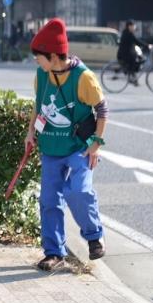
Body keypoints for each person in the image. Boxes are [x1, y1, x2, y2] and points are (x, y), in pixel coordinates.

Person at [25, 18, 108, 272]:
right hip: (50, 148)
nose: (36, 61)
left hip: (78, 147)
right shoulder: (42, 74)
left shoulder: (83, 78)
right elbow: (38, 107)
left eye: (39, 57)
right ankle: (54, 252)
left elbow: (102, 109)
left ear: (52, 55)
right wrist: (30, 133)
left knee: (78, 191)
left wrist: (96, 143)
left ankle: (94, 235)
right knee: (49, 200)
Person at [117, 20, 151, 85]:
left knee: (138, 59)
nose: (134, 27)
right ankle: (131, 77)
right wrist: (147, 45)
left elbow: (135, 42)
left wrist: (145, 45)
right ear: (129, 26)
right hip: (124, 54)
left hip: (126, 53)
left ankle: (133, 77)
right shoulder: (128, 34)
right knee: (135, 61)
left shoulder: (127, 32)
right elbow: (137, 41)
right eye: (132, 26)